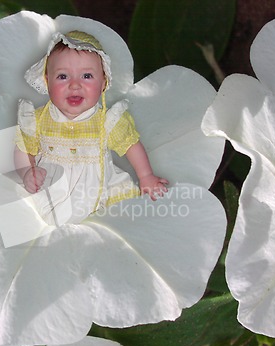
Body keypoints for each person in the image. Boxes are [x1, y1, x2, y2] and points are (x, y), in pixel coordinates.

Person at [14, 30, 168, 225]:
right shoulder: (37, 119)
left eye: (87, 75)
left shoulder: (107, 121)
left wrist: (146, 176)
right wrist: (27, 171)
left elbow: (132, 146)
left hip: (98, 189)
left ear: (103, 83)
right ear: (47, 80)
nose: (75, 85)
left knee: (116, 221)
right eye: (62, 76)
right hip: (53, 189)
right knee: (39, 220)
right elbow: (23, 149)